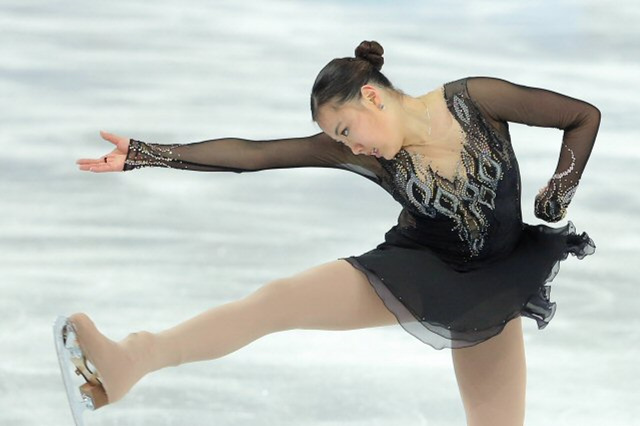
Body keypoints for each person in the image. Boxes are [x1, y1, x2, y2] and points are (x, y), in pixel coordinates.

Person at [55, 40, 600, 426]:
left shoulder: (475, 100)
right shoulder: (370, 156)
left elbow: (581, 116)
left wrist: (561, 186)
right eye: (338, 140)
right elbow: (256, 156)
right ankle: (133, 359)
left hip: (496, 283)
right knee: (275, 302)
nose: (352, 147)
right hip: (416, 269)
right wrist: (149, 155)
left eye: (346, 130)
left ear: (371, 96)